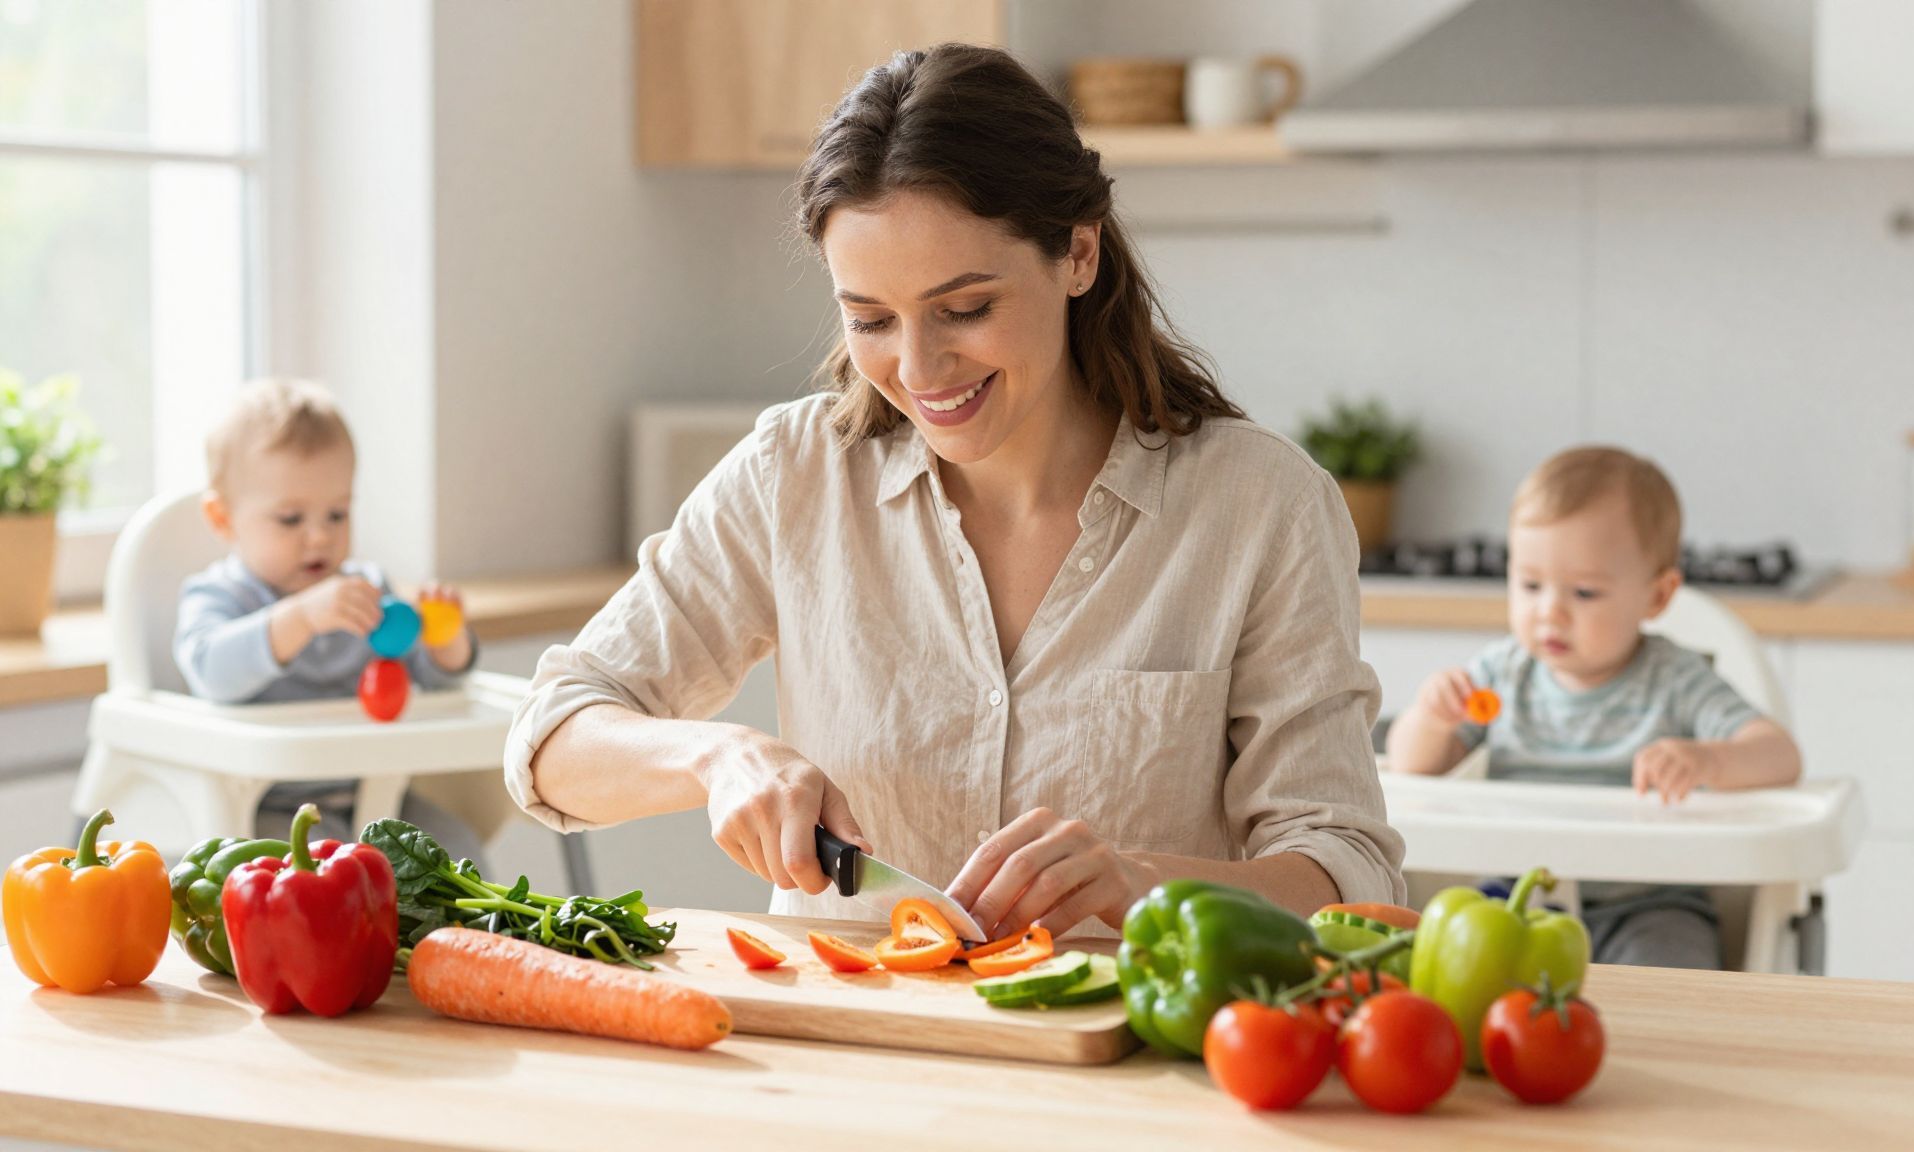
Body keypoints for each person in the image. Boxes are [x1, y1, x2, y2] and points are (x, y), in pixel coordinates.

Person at [508, 43, 1403, 938]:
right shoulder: (794, 474)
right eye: (870, 319)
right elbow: (552, 738)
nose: (919, 366)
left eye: (965, 309)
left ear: (1079, 253)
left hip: (1122, 1058)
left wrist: (1140, 883)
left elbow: (1349, 874)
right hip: (848, 1045)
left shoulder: (1260, 507)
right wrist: (715, 757)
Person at [1387, 446, 1802, 968]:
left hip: (1649, 903)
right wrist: (1431, 716)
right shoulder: (1502, 675)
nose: (1550, 612)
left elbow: (1780, 755)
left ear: (1657, 597)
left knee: (1675, 981)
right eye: (1530, 585)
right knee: (1449, 964)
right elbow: (1413, 766)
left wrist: (1708, 760)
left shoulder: (1677, 680)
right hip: (1516, 899)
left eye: (1584, 592)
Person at [173, 378, 485, 858]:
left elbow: (436, 687)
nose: (319, 537)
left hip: (375, 794)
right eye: (291, 520)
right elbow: (211, 672)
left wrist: (446, 642)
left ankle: (455, 938)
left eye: (337, 515)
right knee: (319, 873)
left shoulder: (367, 593)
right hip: (264, 807)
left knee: (459, 854)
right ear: (223, 519)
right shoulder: (220, 596)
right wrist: (299, 618)